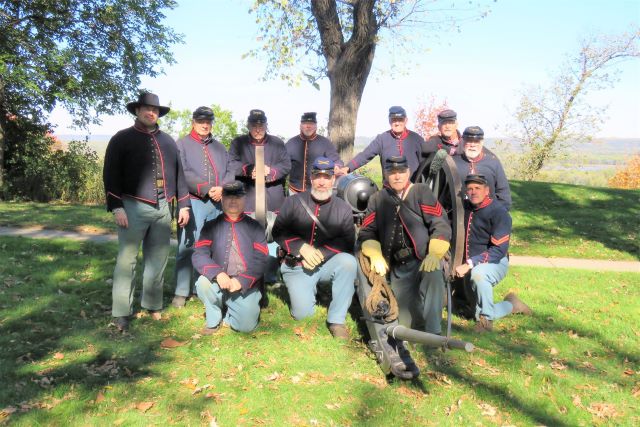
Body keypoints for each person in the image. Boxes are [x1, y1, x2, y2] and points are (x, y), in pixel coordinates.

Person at [103, 92, 190, 332]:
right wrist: (116, 205)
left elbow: (179, 175)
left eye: (155, 109)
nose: (151, 113)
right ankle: (121, 312)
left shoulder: (169, 141)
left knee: (158, 260)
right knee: (126, 261)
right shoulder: (122, 139)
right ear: (138, 111)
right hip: (132, 206)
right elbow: (110, 175)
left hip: (163, 207)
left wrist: (184, 205)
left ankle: (153, 305)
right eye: (147, 109)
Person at [358, 156, 452, 335]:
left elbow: (440, 223)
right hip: (398, 267)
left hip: (424, 258)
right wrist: (374, 252)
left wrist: (435, 253)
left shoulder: (421, 191)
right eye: (392, 173)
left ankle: (435, 333)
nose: (397, 176)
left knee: (434, 275)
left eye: (401, 172)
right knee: (406, 322)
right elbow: (366, 231)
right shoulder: (377, 199)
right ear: (386, 175)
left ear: (408, 172)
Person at [272, 157, 357, 339]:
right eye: (317, 176)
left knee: (349, 263)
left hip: (326, 263)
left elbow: (348, 240)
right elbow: (278, 232)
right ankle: (307, 290)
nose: (321, 182)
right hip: (297, 265)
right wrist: (300, 247)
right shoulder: (293, 202)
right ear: (311, 178)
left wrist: (322, 253)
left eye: (326, 177)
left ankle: (337, 320)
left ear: (333, 180)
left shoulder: (343, 208)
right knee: (302, 315)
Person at [172, 106, 235, 308]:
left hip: (217, 203)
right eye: (201, 121)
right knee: (187, 245)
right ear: (193, 122)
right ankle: (181, 291)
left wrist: (222, 188)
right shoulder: (181, 144)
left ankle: (204, 287)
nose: (205, 125)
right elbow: (183, 172)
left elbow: (229, 171)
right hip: (193, 201)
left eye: (208, 121)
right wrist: (207, 189)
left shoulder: (219, 146)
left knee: (213, 247)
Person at [454, 174, 531, 333]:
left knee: (478, 274)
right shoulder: (465, 207)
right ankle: (512, 305)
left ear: (487, 190)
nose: (473, 192)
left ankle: (486, 321)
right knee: (473, 313)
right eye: (470, 188)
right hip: (469, 265)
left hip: (495, 263)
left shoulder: (499, 213)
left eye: (478, 188)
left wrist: (469, 263)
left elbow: (498, 250)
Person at [192, 181, 269, 334]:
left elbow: (261, 259)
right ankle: (214, 318)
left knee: (246, 327)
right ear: (222, 199)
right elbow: (199, 254)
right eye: (228, 197)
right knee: (203, 283)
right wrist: (217, 273)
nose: (233, 201)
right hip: (219, 281)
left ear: (244, 199)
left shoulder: (255, 227)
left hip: (245, 284)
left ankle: (230, 312)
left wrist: (242, 280)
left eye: (238, 197)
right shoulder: (210, 226)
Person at [228, 109, 291, 213]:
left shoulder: (277, 142)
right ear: (248, 126)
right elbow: (231, 164)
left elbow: (286, 165)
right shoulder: (238, 142)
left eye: (261, 126)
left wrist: (270, 172)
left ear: (266, 126)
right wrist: (249, 169)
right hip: (247, 201)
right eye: (254, 126)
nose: (258, 130)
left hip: (273, 199)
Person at [337, 106, 424, 181]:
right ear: (389, 121)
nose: (397, 123)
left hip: (412, 187)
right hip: (389, 189)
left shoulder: (417, 139)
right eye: (394, 120)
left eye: (400, 120)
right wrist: (348, 168)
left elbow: (424, 164)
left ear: (406, 121)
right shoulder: (382, 139)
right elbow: (365, 155)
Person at [453, 126, 512, 210]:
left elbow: (503, 193)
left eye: (476, 141)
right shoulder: (453, 162)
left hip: (489, 214)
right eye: (469, 141)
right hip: (460, 214)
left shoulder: (493, 162)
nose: (472, 145)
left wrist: (499, 215)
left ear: (482, 143)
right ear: (462, 141)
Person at [285, 112, 344, 194]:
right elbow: (283, 163)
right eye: (305, 123)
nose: (308, 126)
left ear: (316, 126)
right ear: (300, 126)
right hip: (294, 190)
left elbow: (337, 160)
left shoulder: (325, 143)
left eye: (311, 124)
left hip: (317, 190)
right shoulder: (291, 143)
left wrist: (337, 166)